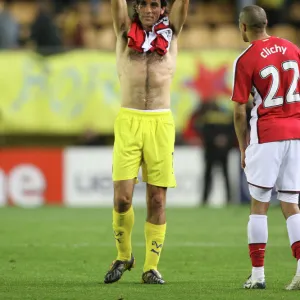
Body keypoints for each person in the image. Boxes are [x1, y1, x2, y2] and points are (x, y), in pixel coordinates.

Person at [104, 0, 189, 284]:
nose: (149, 10)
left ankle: (150, 268)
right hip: (128, 120)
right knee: (122, 198)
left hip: (160, 121)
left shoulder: (173, 32)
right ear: (136, 8)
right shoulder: (123, 31)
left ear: (163, 8)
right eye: (144, 5)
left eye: (155, 4)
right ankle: (123, 255)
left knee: (157, 198)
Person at [232, 5, 300, 290]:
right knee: (291, 204)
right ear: (267, 23)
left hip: (267, 133)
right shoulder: (293, 48)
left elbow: (238, 110)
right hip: (296, 133)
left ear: (243, 28)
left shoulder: (246, 58)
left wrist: (242, 146)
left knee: (259, 204)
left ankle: (258, 276)